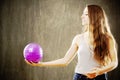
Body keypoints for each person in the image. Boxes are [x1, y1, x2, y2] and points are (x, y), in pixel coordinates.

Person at [25, 5, 118, 80]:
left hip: (100, 78)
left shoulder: (107, 38)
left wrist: (99, 72)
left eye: (85, 14)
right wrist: (41, 64)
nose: (82, 16)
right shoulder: (78, 38)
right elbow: (65, 61)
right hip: (80, 77)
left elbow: (114, 62)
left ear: (95, 17)